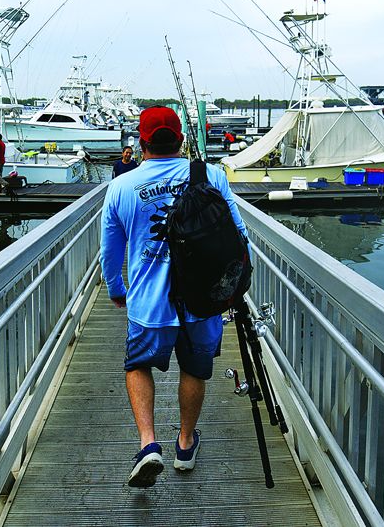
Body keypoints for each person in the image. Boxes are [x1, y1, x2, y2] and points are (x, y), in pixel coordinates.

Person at [100, 106, 246, 488]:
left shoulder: (120, 187)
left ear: (141, 141)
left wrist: (117, 290)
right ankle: (185, 445)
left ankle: (149, 445)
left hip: (149, 304)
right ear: (181, 140)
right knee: (194, 370)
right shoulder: (211, 175)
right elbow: (240, 235)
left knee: (137, 365)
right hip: (203, 302)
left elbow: (110, 253)